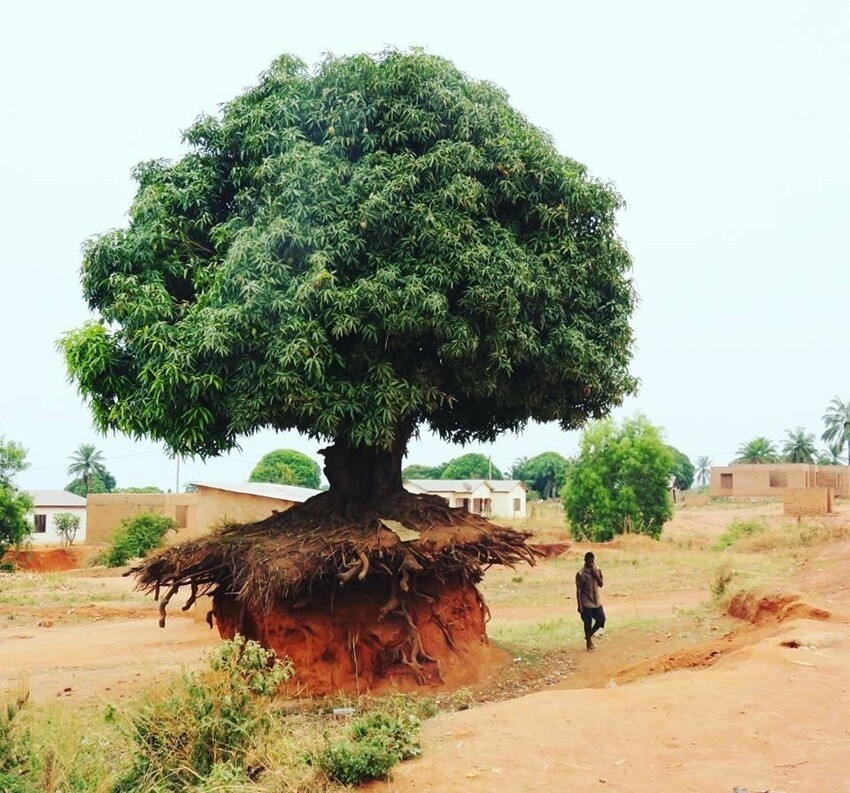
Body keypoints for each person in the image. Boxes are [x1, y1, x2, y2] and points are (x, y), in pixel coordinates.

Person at [576, 551, 605, 650]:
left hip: (596, 601)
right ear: (585, 560)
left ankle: (589, 635)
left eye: (593, 562)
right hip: (586, 602)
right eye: (589, 562)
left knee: (601, 619)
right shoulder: (580, 574)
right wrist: (579, 605)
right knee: (587, 623)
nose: (591, 564)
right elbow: (578, 590)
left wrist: (595, 574)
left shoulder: (598, 570)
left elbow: (601, 584)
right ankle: (589, 643)